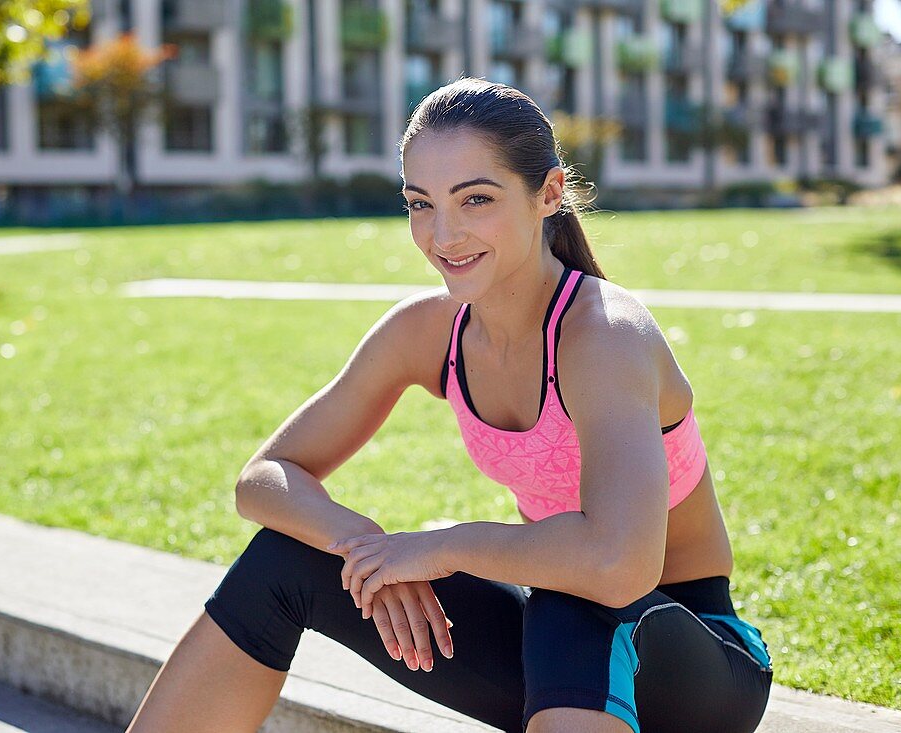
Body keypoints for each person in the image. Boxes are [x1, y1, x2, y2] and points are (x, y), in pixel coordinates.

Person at [124, 77, 773, 733]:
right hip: (561, 648)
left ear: (547, 193)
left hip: (696, 662)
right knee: (285, 559)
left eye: (476, 199)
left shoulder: (602, 335)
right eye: (420, 203)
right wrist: (370, 550)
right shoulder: (428, 331)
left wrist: (442, 547)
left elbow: (618, 564)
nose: (444, 233)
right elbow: (262, 480)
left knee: (570, 602)